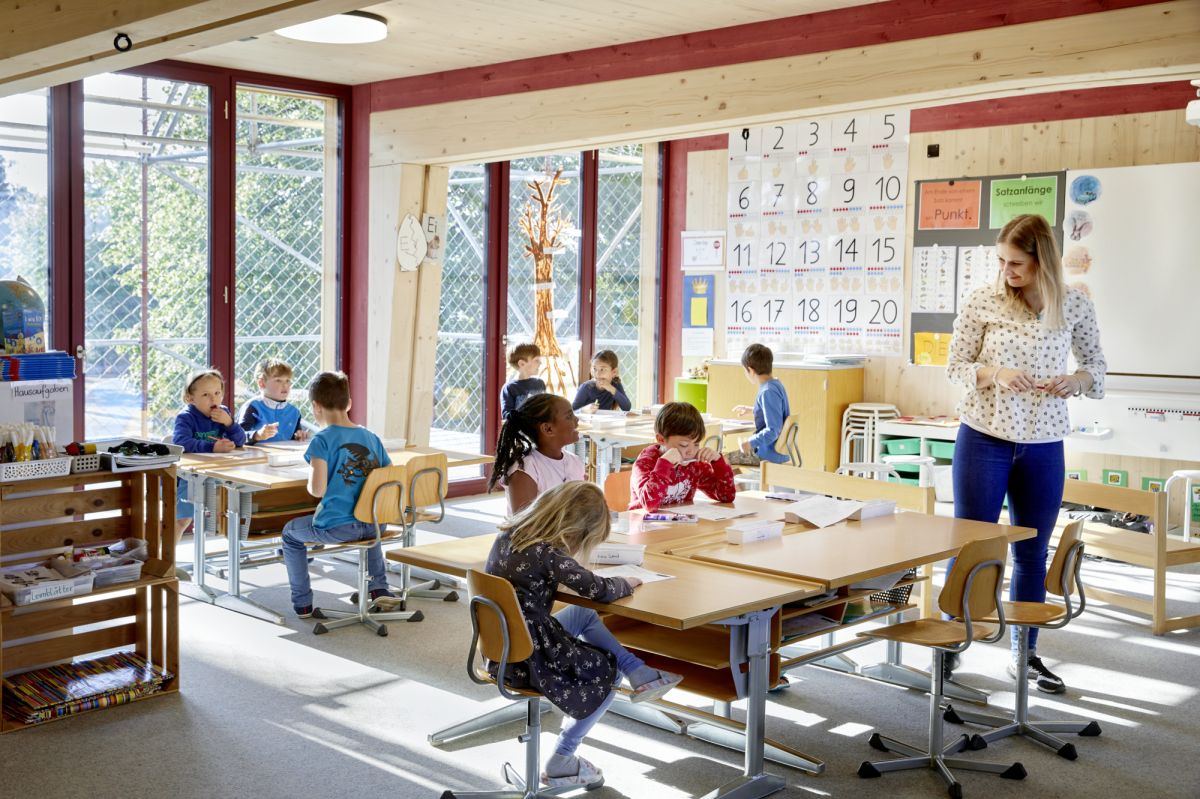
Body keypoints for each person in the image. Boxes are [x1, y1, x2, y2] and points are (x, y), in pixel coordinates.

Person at [946, 213, 1106, 694]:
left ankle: (1026, 653)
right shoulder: (983, 299)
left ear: (1043, 261)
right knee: (971, 546)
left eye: (1015, 263)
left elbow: (1096, 368)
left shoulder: (1074, 304)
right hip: (984, 435)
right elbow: (955, 365)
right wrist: (994, 373)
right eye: (1001, 261)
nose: (1006, 271)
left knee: (1032, 552)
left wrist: (1076, 380)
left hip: (1043, 442)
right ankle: (952, 643)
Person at [486, 481, 682, 788]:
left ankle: (640, 672)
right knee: (608, 668)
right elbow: (599, 590)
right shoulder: (548, 553)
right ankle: (563, 758)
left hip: (504, 646)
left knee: (583, 614)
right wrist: (628, 581)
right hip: (530, 657)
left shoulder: (508, 535)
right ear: (575, 530)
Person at [280, 371, 394, 618]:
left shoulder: (321, 441)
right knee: (368, 517)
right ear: (349, 403)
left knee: (290, 533)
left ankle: (303, 604)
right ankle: (379, 588)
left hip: (339, 528)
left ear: (316, 407)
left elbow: (317, 490)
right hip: (375, 524)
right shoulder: (371, 437)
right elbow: (388, 479)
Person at [173, 369, 247, 553]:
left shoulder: (224, 414)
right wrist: (212, 447)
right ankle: (167, 558)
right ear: (191, 398)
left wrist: (230, 424)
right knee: (183, 520)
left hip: (219, 474)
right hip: (190, 477)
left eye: (217, 393)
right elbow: (181, 442)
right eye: (205, 395)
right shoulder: (186, 417)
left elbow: (241, 440)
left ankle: (234, 551)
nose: (213, 399)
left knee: (230, 511)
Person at [488, 393, 584, 514]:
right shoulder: (525, 469)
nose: (576, 419)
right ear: (548, 429)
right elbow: (525, 525)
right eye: (569, 416)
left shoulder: (575, 462)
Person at [630, 402, 736, 511]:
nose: (691, 451)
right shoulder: (645, 463)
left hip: (681, 524)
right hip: (646, 525)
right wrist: (664, 465)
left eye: (696, 444)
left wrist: (718, 462)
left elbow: (726, 496)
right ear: (661, 439)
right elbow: (649, 505)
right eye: (684, 445)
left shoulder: (694, 463)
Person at [726, 343, 791, 467]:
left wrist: (750, 443)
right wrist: (753, 410)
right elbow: (775, 411)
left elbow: (773, 430)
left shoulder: (767, 391)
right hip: (776, 450)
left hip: (767, 454)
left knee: (722, 460)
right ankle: (739, 487)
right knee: (725, 459)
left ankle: (738, 486)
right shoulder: (775, 385)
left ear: (750, 370)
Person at [238, 358, 309, 444]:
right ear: (262, 383)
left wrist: (299, 435)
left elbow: (294, 436)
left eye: (287, 380)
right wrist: (257, 435)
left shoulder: (294, 412)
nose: (285, 385)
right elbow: (238, 437)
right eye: (278, 380)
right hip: (256, 456)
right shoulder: (252, 407)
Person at [500, 342, 546, 419]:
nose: (540, 363)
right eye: (536, 360)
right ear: (522, 364)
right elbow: (506, 414)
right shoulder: (510, 388)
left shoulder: (540, 383)